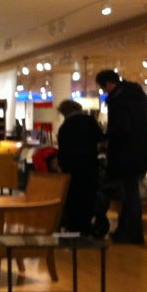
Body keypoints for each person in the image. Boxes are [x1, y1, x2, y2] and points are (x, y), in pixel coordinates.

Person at [95, 69, 147, 244]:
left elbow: (122, 128)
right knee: (129, 193)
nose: (104, 92)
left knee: (130, 194)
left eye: (103, 88)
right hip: (145, 152)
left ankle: (132, 233)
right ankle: (125, 230)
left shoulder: (120, 100)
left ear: (109, 84)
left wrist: (107, 137)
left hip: (129, 155)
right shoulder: (135, 95)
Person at [56, 99, 104, 235]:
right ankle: (86, 226)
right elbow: (100, 138)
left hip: (71, 166)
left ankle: (74, 227)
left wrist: (61, 165)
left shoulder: (65, 127)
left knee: (73, 196)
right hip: (89, 164)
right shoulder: (90, 121)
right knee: (88, 195)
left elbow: (62, 149)